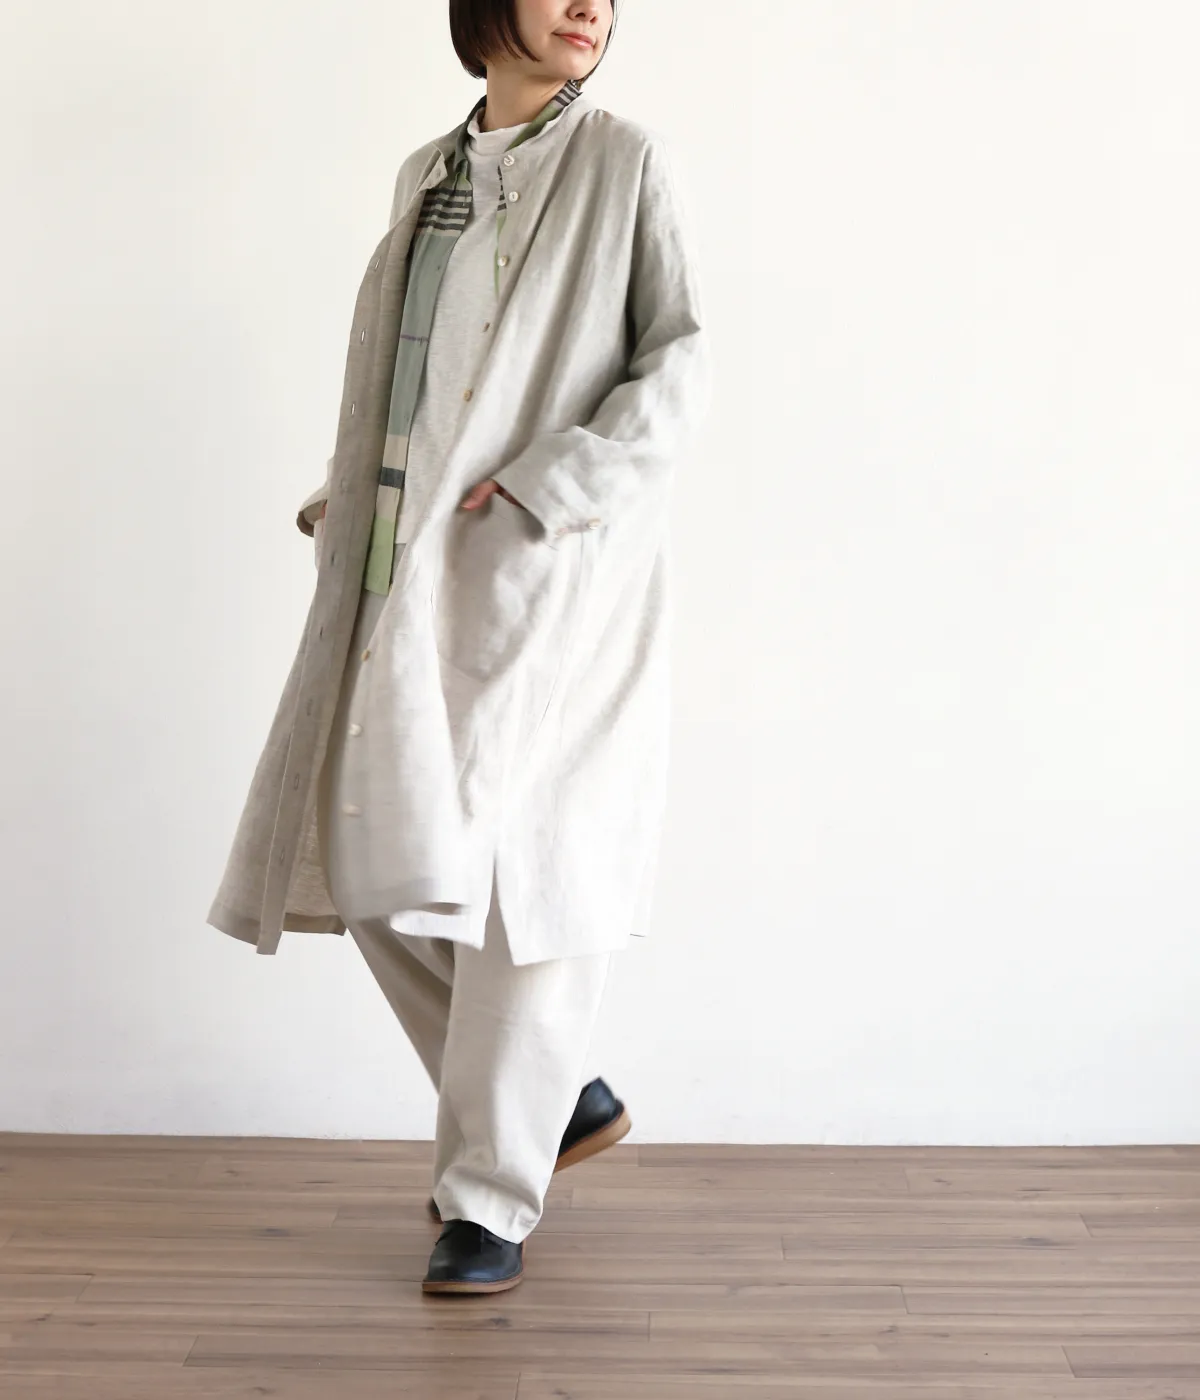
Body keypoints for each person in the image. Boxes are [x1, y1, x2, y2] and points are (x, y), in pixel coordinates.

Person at [207, 0, 711, 1295]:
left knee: (529, 884)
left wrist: (552, 488)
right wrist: (347, 498)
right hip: (404, 570)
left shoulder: (621, 162)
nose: (590, 6)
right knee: (365, 843)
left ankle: (487, 1199)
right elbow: (406, 373)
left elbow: (678, 365)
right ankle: (556, 1097)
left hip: (552, 573)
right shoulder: (427, 175)